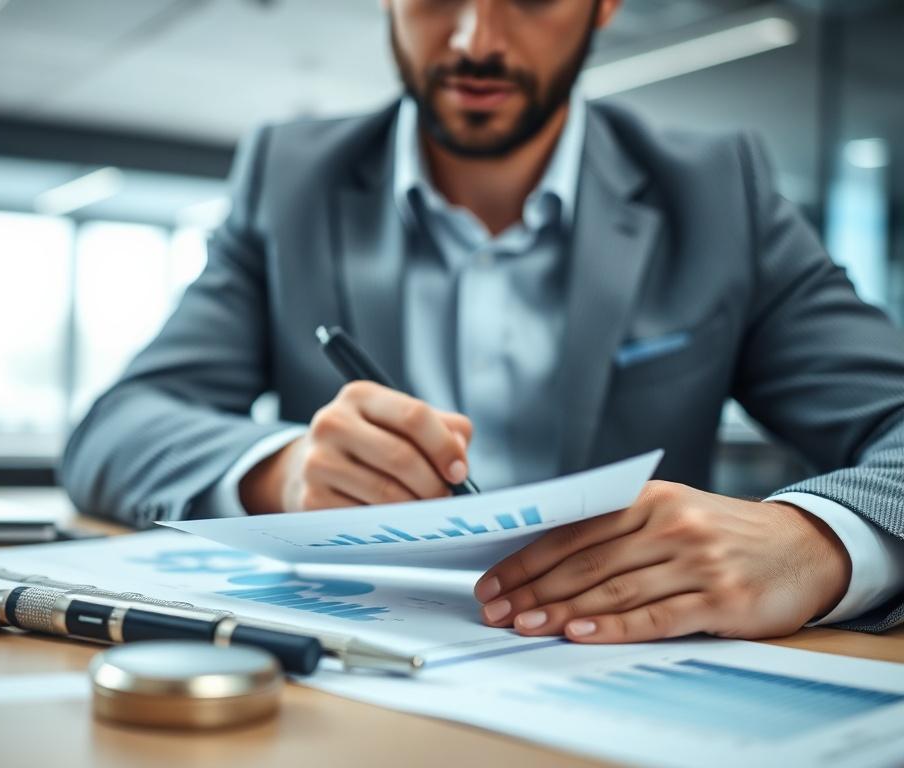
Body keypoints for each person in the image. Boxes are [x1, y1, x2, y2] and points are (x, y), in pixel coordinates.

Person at [62, 0, 904, 643]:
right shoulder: (291, 183)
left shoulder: (723, 195)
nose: (476, 42)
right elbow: (117, 428)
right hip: (349, 679)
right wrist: (281, 473)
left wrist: (814, 542)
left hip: (612, 674)